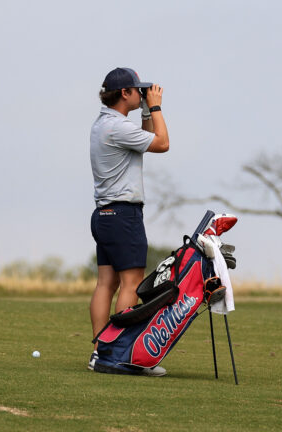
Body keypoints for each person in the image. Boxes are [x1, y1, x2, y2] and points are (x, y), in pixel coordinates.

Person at [88, 67, 169, 375]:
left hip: (104, 216)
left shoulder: (103, 124)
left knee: (106, 284)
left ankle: (100, 352)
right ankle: (122, 354)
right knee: (131, 283)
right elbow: (161, 143)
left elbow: (146, 136)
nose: (142, 94)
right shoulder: (118, 128)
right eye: (138, 91)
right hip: (123, 215)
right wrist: (158, 107)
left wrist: (146, 109)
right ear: (124, 94)